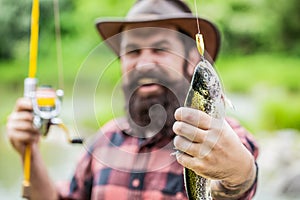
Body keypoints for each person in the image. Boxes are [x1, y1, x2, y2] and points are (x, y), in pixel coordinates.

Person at [6, 0, 259, 199]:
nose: (145, 62)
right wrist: (29, 151)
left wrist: (240, 174)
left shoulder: (223, 135)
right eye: (133, 52)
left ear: (193, 59)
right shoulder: (103, 142)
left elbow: (238, 183)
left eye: (160, 48)